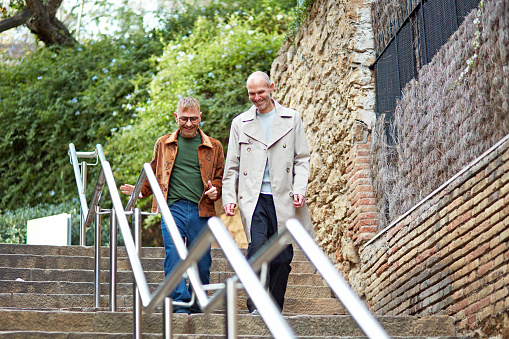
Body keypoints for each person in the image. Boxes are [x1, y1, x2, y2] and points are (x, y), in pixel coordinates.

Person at [120, 97, 224, 314]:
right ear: (176, 117)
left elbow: (220, 177)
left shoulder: (214, 146)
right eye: (184, 119)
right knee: (174, 255)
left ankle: (197, 302)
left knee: (202, 261)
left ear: (200, 117)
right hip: (171, 208)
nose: (188, 123)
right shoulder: (164, 143)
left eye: (193, 119)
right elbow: (154, 170)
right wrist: (142, 190)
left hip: (201, 209)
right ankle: (178, 304)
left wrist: (216, 189)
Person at [222, 71, 315, 314]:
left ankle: (274, 309)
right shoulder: (240, 123)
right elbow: (231, 166)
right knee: (257, 249)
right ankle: (255, 306)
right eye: (251, 93)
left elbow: (302, 159)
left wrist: (299, 189)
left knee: (283, 258)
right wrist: (229, 197)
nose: (256, 97)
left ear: (271, 87)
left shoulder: (291, 118)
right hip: (253, 199)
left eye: (261, 92)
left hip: (283, 198)